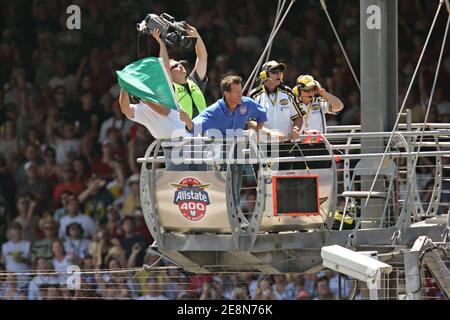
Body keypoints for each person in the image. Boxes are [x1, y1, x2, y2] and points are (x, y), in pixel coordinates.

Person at [151, 23, 208, 120]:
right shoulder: (170, 88)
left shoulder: (194, 81)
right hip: (184, 133)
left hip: (204, 131)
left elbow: (202, 57)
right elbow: (164, 67)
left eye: (180, 63)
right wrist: (162, 43)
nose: (180, 65)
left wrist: (196, 36)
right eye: (175, 66)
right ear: (169, 74)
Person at [182, 75, 267, 137]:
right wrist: (187, 120)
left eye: (241, 91)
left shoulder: (247, 103)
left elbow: (262, 114)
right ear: (226, 94)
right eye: (237, 92)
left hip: (238, 151)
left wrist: (258, 132)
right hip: (220, 155)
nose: (241, 94)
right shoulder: (214, 111)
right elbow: (194, 127)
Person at [249, 60, 304, 142]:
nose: (279, 74)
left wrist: (295, 129)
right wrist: (270, 133)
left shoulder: (289, 93)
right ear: (264, 75)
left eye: (280, 71)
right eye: (274, 71)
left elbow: (298, 117)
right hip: (263, 144)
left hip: (285, 144)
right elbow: (251, 122)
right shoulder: (254, 95)